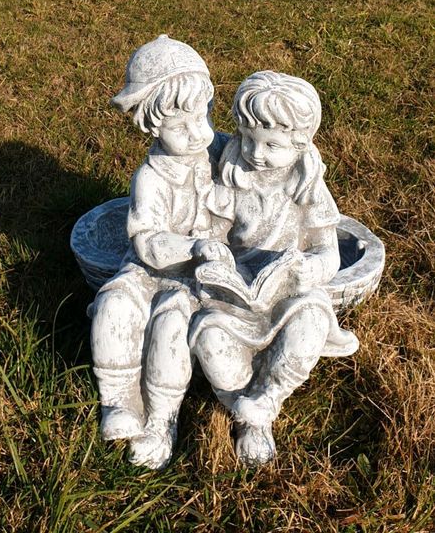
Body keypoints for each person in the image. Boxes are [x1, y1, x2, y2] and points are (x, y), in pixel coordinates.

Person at [190, 71, 358, 465]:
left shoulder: (307, 187)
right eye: (248, 139)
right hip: (237, 294)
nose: (256, 153)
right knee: (208, 339)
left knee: (311, 324)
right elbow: (213, 232)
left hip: (288, 294)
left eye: (272, 144)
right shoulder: (233, 176)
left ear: (300, 145)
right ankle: (242, 408)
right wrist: (215, 258)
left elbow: (327, 253)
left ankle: (269, 398)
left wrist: (306, 272)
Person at [89, 35, 231, 469]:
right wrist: (193, 244)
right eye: (180, 126)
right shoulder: (150, 177)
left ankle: (162, 420)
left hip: (196, 277)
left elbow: (265, 170)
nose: (198, 133)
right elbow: (147, 240)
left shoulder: (222, 152)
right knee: (113, 307)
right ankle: (118, 401)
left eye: (203, 116)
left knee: (170, 326)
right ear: (151, 126)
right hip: (154, 265)